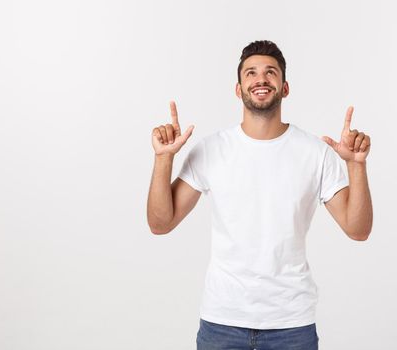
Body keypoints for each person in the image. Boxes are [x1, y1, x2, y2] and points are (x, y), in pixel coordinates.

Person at [147, 40, 373, 350]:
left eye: (271, 72)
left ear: (285, 87)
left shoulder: (315, 153)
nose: (261, 79)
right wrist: (163, 159)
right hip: (222, 321)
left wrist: (356, 166)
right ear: (239, 89)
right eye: (250, 73)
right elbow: (161, 223)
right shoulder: (212, 150)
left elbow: (357, 229)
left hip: (291, 324)